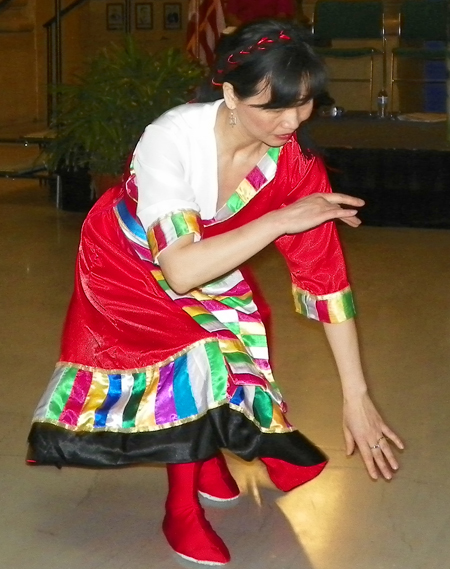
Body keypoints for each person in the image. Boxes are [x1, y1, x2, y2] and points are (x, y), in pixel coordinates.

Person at [27, 20, 404, 566]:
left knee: (243, 339)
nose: (291, 121)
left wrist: (357, 396)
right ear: (228, 92)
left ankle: (204, 461)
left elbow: (325, 280)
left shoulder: (295, 163)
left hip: (209, 251)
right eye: (272, 107)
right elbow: (179, 271)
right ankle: (181, 509)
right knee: (193, 356)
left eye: (303, 105)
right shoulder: (170, 138)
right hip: (128, 260)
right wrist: (281, 219)